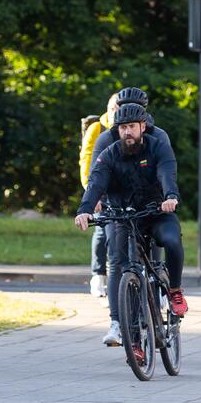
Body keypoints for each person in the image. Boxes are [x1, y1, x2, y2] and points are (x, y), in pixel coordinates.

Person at [75, 103, 188, 355]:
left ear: (142, 127)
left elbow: (167, 174)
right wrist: (85, 209)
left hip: (156, 212)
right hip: (123, 216)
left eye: (132, 127)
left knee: (171, 241)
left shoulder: (158, 146)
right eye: (123, 127)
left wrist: (170, 196)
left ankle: (175, 291)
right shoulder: (110, 153)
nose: (127, 132)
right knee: (128, 268)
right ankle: (134, 341)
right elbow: (96, 182)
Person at [90, 87, 173, 346]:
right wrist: (96, 202)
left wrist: (166, 199)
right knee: (117, 260)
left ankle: (158, 288)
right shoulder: (107, 139)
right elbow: (97, 174)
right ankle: (117, 321)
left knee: (153, 247)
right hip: (119, 206)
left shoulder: (157, 137)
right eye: (118, 109)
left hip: (150, 204)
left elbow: (165, 171)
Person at [79, 94, 119, 304]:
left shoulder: (126, 128)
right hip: (98, 185)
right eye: (115, 109)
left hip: (120, 187)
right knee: (102, 229)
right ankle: (98, 274)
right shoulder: (98, 129)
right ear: (109, 109)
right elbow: (86, 160)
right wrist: (90, 192)